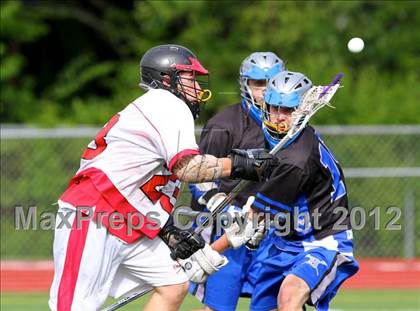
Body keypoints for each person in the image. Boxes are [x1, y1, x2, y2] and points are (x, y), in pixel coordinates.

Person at [48, 44, 276, 311]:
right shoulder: (166, 103)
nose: (195, 86)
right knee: (73, 307)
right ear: (167, 79)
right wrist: (240, 164)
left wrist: (168, 233)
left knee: (174, 283)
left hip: (125, 220)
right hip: (94, 214)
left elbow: (141, 184)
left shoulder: (160, 108)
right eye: (190, 77)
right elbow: (187, 169)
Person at [193, 70, 359, 311]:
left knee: (289, 297)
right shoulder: (281, 142)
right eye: (274, 108)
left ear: (303, 109)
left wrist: (207, 254)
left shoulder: (296, 158)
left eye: (288, 110)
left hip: (321, 241)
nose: (279, 117)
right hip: (283, 242)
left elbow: (247, 225)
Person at [188, 52, 285, 311]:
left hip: (270, 230)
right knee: (218, 306)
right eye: (259, 84)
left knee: (276, 304)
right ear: (246, 85)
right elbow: (197, 178)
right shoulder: (224, 124)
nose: (265, 91)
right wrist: (224, 210)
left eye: (272, 83)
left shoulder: (288, 127)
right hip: (227, 229)